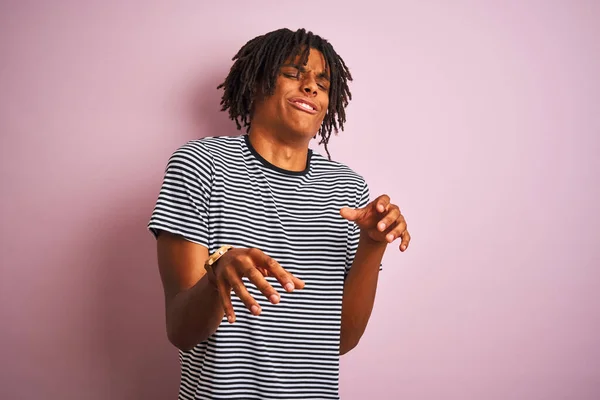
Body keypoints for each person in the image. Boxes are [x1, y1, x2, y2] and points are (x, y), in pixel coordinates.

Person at [148, 27, 411, 400]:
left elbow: (339, 341)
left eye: (322, 81)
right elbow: (181, 331)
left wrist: (372, 245)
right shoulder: (199, 165)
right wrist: (216, 278)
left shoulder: (348, 189)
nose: (311, 87)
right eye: (293, 73)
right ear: (256, 82)